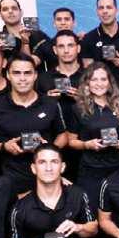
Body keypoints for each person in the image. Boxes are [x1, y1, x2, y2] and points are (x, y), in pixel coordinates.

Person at [0, 54, 67, 196]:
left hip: (48, 176)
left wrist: (47, 150)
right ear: (8, 75)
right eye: (16, 73)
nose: (22, 78)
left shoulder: (51, 104)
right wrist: (3, 146)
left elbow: (63, 136)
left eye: (27, 73)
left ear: (35, 75)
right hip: (10, 181)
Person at [69, 63, 119, 213]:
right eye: (94, 79)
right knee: (92, 211)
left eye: (103, 79)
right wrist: (87, 145)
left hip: (118, 167)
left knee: (118, 210)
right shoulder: (78, 108)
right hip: (91, 170)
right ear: (87, 83)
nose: (99, 83)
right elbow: (71, 142)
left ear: (110, 82)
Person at [35, 30, 84, 180]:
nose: (66, 50)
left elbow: (102, 109)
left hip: (84, 144)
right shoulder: (43, 79)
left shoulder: (90, 77)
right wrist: (46, 101)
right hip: (54, 144)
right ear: (55, 50)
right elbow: (33, 111)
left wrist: (83, 100)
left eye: (70, 45)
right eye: (61, 46)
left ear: (78, 48)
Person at [78, 0, 119, 105]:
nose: (105, 11)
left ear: (117, 11)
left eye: (109, 7)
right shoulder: (88, 39)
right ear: (97, 12)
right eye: (101, 8)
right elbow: (88, 73)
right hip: (100, 100)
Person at [0, 0, 52, 70]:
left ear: (21, 12)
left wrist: (25, 43)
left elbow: (32, 64)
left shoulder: (36, 33)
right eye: (5, 9)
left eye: (14, 8)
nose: (10, 11)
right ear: (0, 15)